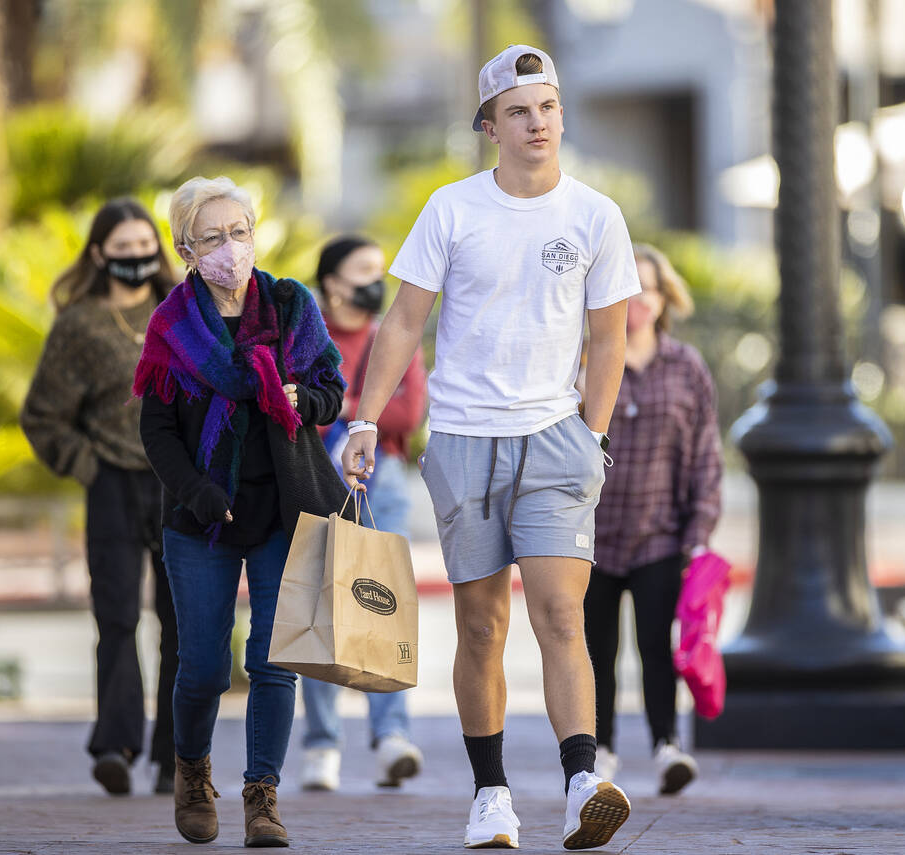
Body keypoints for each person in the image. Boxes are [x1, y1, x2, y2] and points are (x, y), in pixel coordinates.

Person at [341, 45, 640, 851]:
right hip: (466, 439)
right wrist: (366, 420)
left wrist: (593, 434)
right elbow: (404, 321)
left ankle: (582, 780)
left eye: (547, 107)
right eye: (518, 110)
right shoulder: (452, 208)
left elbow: (610, 336)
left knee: (561, 614)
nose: (536, 122)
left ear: (561, 116)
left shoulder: (595, 214)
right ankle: (492, 795)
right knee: (481, 626)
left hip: (556, 441)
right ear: (490, 126)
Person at [135, 176, 345, 848]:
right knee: (201, 665)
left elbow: (331, 390)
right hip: (204, 515)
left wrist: (297, 398)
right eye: (213, 237)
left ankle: (262, 793)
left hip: (283, 507)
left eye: (240, 231)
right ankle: (192, 769)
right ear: (186, 249)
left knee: (272, 659)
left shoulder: (290, 304)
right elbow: (158, 431)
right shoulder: (172, 326)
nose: (231, 247)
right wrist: (198, 492)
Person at [21, 198, 179, 796]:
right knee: (115, 616)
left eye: (146, 247)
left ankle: (175, 755)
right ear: (98, 253)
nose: (137, 258)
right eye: (123, 249)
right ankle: (114, 745)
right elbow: (43, 416)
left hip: (177, 482)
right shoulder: (80, 325)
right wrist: (89, 467)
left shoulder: (181, 313)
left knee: (181, 621)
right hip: (111, 481)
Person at [584, 243, 723, 796]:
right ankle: (601, 753)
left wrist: (699, 533)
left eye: (648, 289)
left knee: (656, 646)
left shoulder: (687, 367)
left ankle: (667, 746)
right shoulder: (586, 359)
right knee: (595, 651)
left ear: (666, 300)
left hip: (662, 537)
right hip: (589, 535)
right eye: (628, 287)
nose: (638, 300)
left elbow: (706, 457)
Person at [298, 235, 427, 791]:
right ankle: (323, 744)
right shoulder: (306, 334)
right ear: (331, 280)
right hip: (313, 474)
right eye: (364, 270)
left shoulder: (390, 335)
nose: (377, 280)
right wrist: (360, 406)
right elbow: (293, 401)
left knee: (383, 607)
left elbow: (407, 411)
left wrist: (341, 404)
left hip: (384, 481)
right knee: (318, 606)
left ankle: (391, 736)